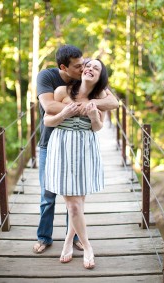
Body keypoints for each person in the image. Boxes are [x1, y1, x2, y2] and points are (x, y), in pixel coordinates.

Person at [33, 45, 119, 254]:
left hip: (81, 146)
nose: (83, 69)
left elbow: (113, 102)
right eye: (79, 66)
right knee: (48, 194)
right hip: (50, 142)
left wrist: (91, 106)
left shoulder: (87, 79)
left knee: (74, 198)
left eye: (85, 65)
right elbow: (49, 107)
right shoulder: (48, 78)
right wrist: (79, 109)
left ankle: (73, 239)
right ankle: (44, 237)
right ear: (64, 68)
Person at [44, 58, 108, 269]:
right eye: (88, 65)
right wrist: (64, 113)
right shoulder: (63, 91)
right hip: (62, 146)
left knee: (78, 204)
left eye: (96, 68)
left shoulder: (100, 97)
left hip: (85, 149)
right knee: (73, 205)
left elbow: (98, 128)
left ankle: (68, 241)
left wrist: (93, 116)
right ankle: (88, 247)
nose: (90, 69)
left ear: (100, 76)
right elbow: (47, 121)